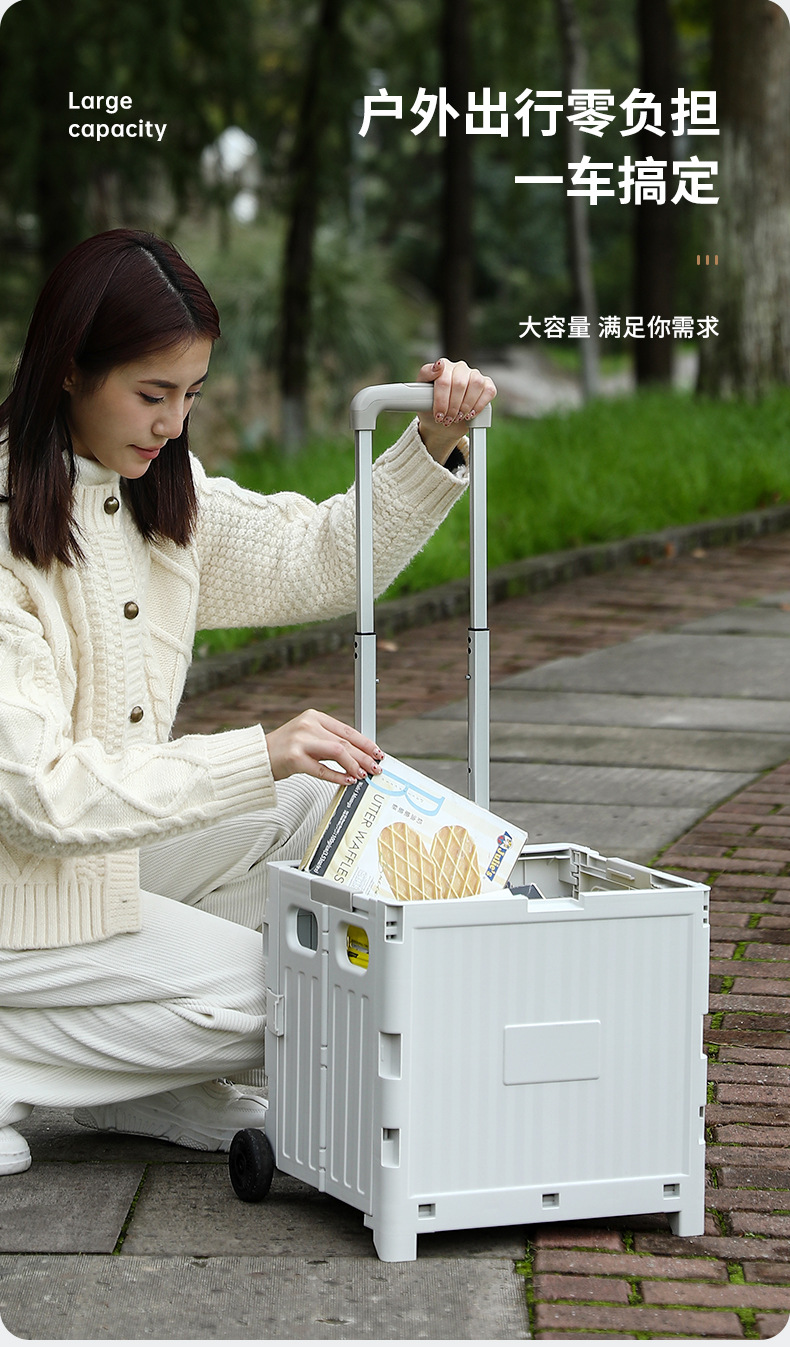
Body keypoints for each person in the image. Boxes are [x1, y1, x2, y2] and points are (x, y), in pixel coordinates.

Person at [0, 228, 496, 1174]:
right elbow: (41, 798)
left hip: (94, 865)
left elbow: (318, 555)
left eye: (190, 396)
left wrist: (432, 442)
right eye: (152, 395)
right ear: (68, 369)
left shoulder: (158, 494)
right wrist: (253, 751)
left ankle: (150, 1080)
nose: (173, 424)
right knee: (308, 993)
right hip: (15, 883)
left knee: (325, 809)